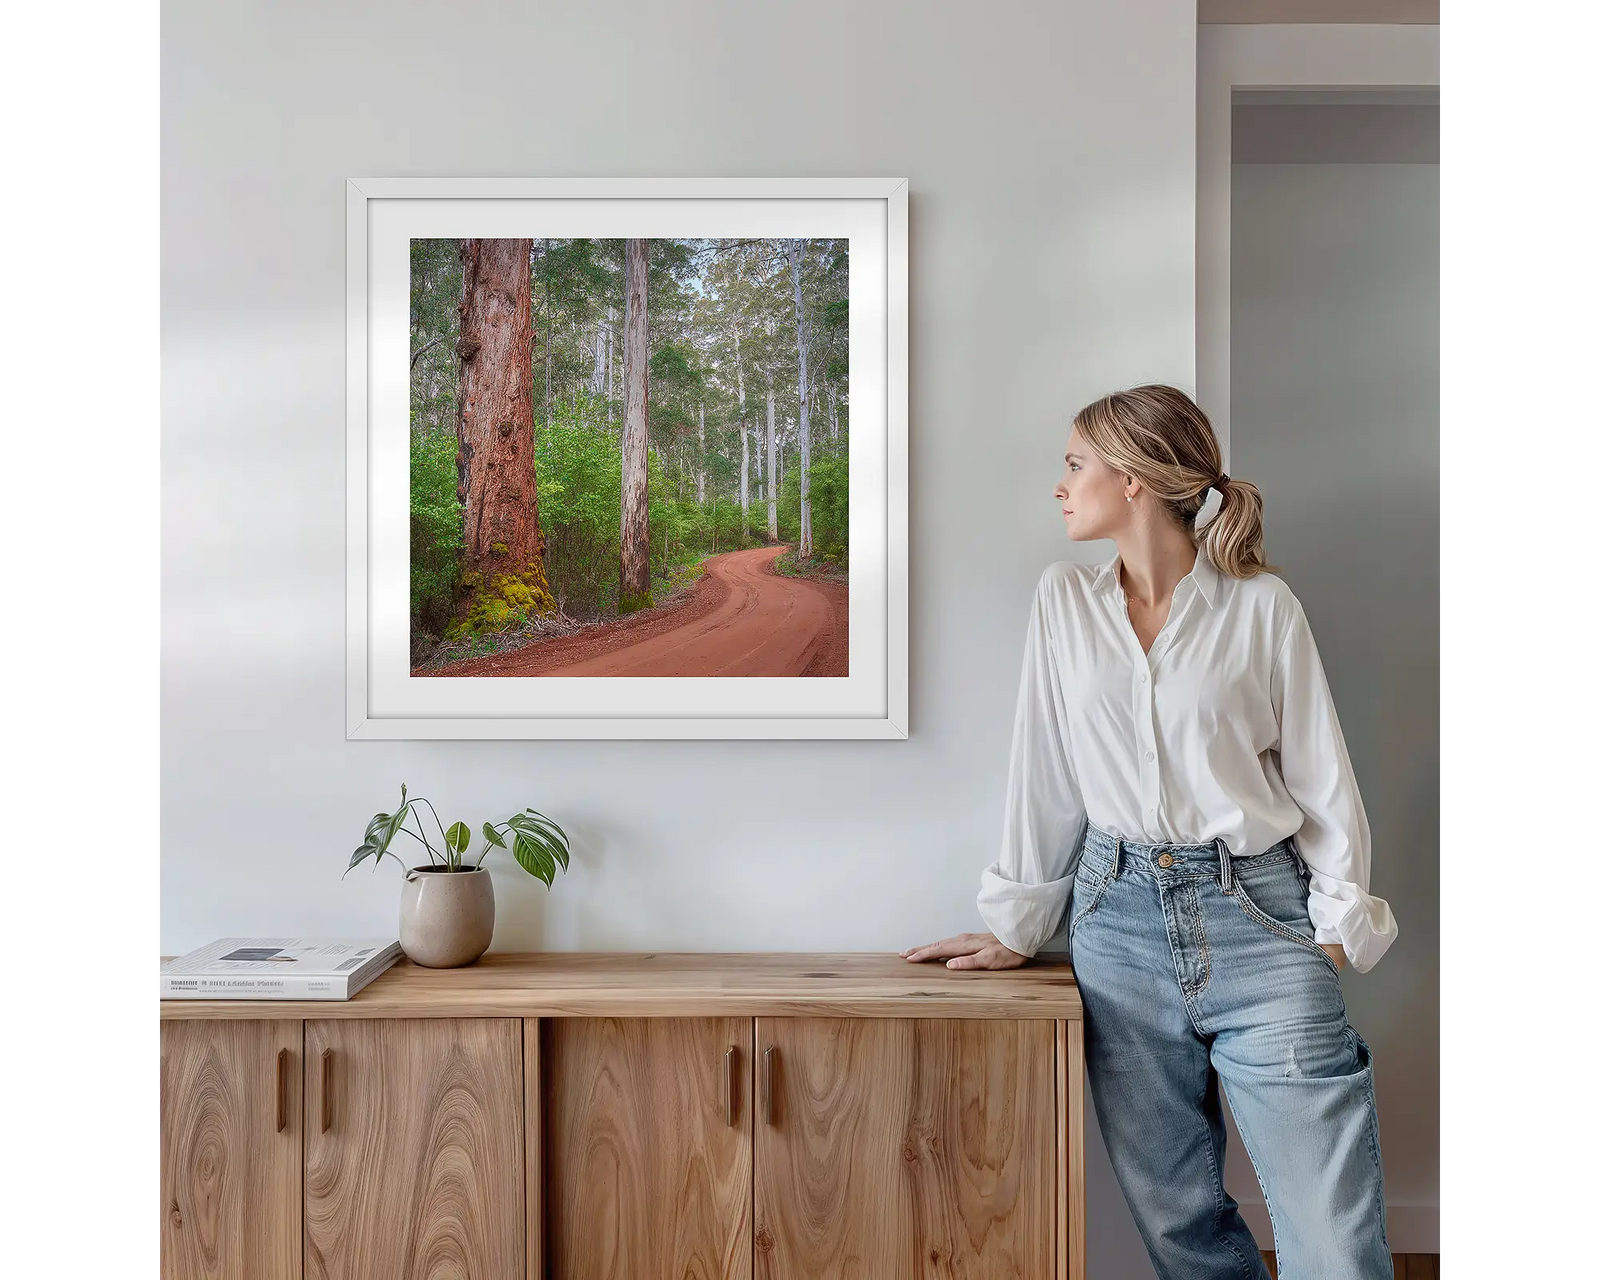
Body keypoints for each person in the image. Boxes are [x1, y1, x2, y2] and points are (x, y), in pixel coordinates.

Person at [901, 385, 1396, 1280]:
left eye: (1074, 465)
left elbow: (1322, 776)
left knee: (1332, 1236)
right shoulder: (1063, 601)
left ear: (1132, 480)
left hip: (1260, 916)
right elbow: (1045, 771)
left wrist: (1333, 932)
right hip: (1117, 924)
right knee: (1180, 1226)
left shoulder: (1262, 607)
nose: (1060, 486)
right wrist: (1019, 922)